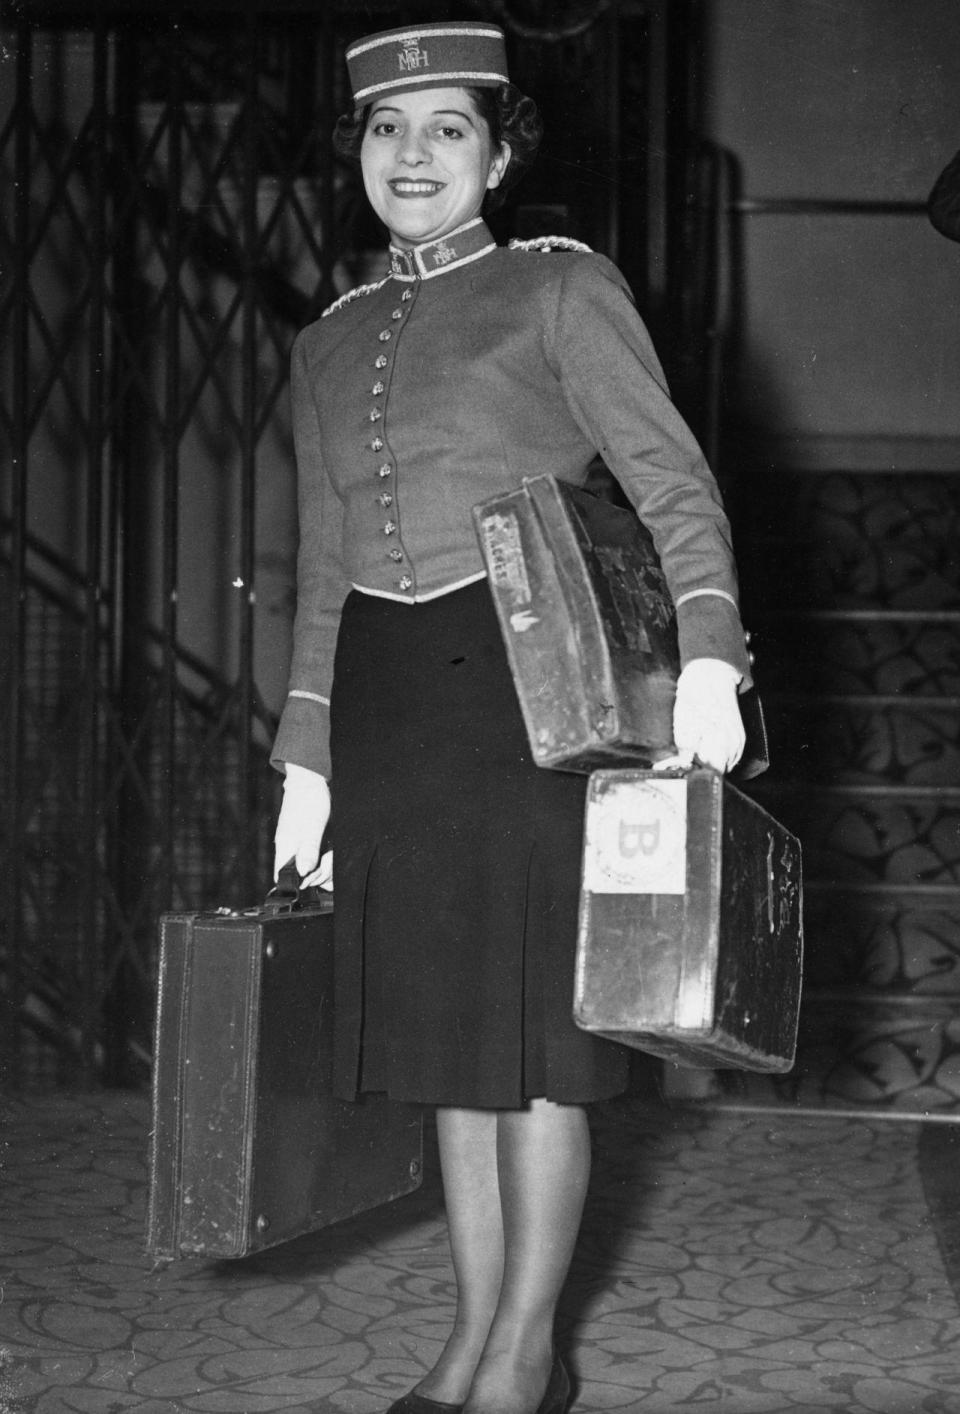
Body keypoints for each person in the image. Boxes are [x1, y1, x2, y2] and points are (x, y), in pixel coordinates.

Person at [271, 21, 752, 1414]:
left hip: (537, 702)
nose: (410, 155)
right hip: (393, 709)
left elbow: (672, 481)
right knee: (448, 1049)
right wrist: (306, 757)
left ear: (500, 150)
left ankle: (528, 1352)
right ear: (356, 151)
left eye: (446, 129)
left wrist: (712, 647)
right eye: (384, 130)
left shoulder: (558, 289)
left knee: (536, 1048)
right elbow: (317, 567)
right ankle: (472, 1334)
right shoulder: (327, 338)